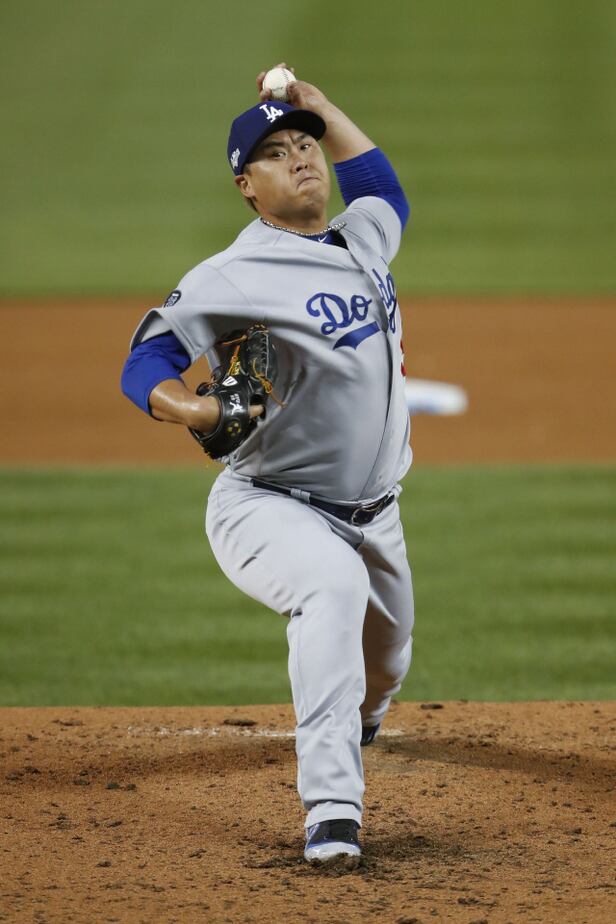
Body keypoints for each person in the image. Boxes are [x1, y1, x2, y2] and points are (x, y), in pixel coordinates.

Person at [121, 66, 414, 864]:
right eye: (277, 153)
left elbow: (384, 188)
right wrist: (189, 409)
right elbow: (144, 361)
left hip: (377, 513)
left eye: (306, 147)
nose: (302, 158)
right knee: (330, 587)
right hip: (272, 504)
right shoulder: (234, 274)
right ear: (247, 185)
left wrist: (319, 107)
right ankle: (332, 811)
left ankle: (361, 716)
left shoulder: (362, 236)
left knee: (388, 661)